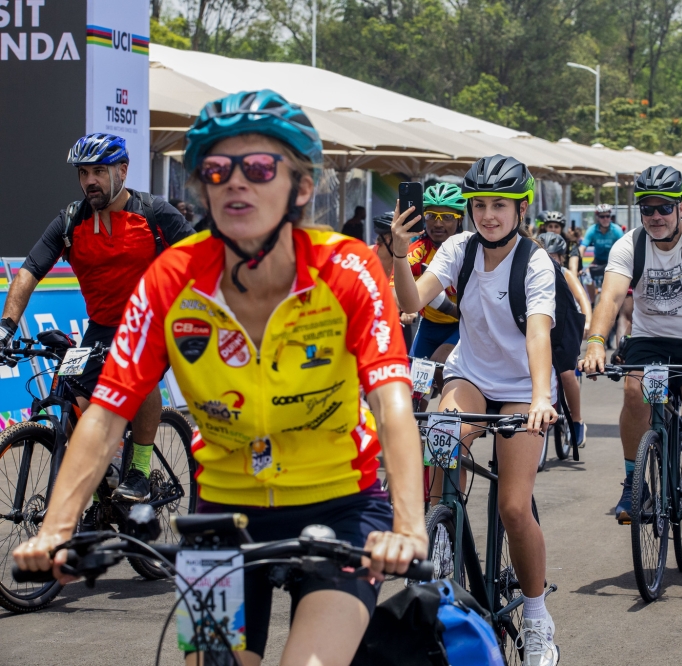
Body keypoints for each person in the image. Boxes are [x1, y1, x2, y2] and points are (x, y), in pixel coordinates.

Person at [13, 91, 428, 665]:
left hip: (341, 507)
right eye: (216, 169)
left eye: (259, 167)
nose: (237, 182)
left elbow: (392, 404)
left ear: (301, 187)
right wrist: (55, 528)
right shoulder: (170, 281)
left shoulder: (347, 269)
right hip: (220, 516)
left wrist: (408, 524)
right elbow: (108, 413)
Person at [392, 154, 561, 666]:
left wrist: (538, 398)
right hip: (470, 374)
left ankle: (537, 620)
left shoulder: (535, 262)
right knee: (443, 446)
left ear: (521, 209)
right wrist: (400, 255)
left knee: (513, 506)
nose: (488, 215)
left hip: (521, 386)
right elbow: (413, 301)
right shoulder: (458, 248)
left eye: (499, 206)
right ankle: (444, 543)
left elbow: (538, 332)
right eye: (480, 205)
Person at [0, 133, 194, 505]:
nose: (90, 180)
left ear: (122, 170)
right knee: (71, 393)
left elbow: (203, 259)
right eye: (83, 172)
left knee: (140, 371)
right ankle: (105, 485)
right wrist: (6, 327)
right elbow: (28, 272)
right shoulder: (71, 221)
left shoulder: (154, 213)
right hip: (101, 326)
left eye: (99, 171)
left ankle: (138, 469)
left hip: (151, 322)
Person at [580, 164, 682, 529]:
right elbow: (610, 297)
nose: (655, 216)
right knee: (635, 394)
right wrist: (596, 344)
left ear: (681, 207)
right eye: (647, 208)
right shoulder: (628, 244)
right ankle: (635, 483)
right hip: (650, 341)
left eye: (664, 207)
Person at [405, 183, 465, 380]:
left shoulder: (470, 251)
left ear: (460, 220)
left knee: (439, 366)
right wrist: (406, 308)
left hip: (461, 326)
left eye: (447, 217)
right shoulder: (418, 250)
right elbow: (393, 288)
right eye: (431, 216)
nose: (438, 223)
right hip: (429, 325)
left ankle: (445, 408)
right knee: (415, 385)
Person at [539, 231, 591, 446]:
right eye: (543, 255)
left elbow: (582, 297)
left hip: (566, 325)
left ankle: (577, 421)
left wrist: (588, 322)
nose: (549, 260)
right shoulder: (528, 271)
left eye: (553, 256)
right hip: (541, 326)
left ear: (560, 257)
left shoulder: (565, 273)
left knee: (567, 373)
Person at [580, 202, 625, 301]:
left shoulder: (617, 230)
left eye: (608, 216)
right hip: (598, 260)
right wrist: (580, 265)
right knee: (586, 276)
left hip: (613, 261)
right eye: (602, 216)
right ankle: (592, 302)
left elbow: (625, 248)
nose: (605, 219)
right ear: (597, 218)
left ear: (610, 217)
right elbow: (582, 248)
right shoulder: (592, 230)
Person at [540, 210, 581, 276]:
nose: (553, 229)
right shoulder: (539, 242)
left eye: (556, 226)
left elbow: (573, 267)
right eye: (550, 226)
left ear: (561, 228)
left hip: (566, 277)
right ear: (545, 228)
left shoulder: (571, 243)